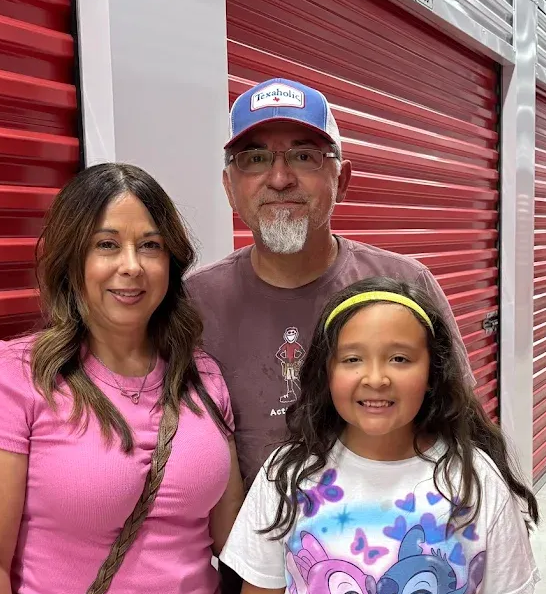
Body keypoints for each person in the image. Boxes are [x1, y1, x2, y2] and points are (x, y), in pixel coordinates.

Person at [0, 162, 244, 593]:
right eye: (106, 244)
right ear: (72, 258)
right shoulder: (16, 376)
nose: (131, 266)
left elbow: (233, 541)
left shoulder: (202, 375)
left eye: (150, 245)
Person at [186, 77, 476, 489]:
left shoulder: (404, 286)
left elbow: (459, 424)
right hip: (252, 548)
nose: (281, 177)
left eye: (305, 157)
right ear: (229, 188)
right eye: (255, 159)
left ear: (342, 180)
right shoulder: (194, 305)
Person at [218, 276, 540, 594]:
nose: (375, 378)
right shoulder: (287, 474)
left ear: (432, 372)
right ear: (326, 372)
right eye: (352, 359)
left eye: (399, 359)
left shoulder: (476, 481)